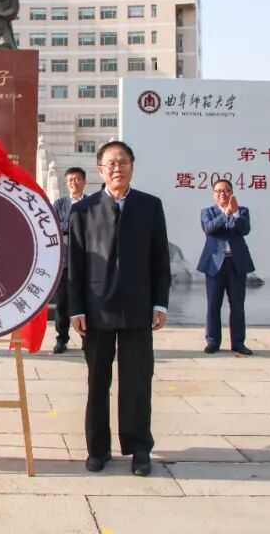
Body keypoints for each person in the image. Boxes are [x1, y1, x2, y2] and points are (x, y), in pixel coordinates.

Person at [69, 141, 169, 476]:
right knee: (98, 381)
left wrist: (160, 302)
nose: (117, 169)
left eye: (123, 162)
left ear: (132, 167)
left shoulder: (150, 206)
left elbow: (160, 259)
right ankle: (98, 449)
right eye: (111, 163)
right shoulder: (83, 210)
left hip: (138, 308)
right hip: (96, 310)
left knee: (137, 381)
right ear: (100, 170)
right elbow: (75, 265)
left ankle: (139, 448)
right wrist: (76, 309)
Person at [197, 179, 255, 355]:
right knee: (213, 305)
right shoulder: (207, 212)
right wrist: (225, 214)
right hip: (215, 264)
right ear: (214, 194)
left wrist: (235, 213)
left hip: (236, 263)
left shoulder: (242, 211)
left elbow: (245, 230)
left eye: (227, 190)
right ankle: (213, 342)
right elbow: (209, 228)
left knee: (237, 305)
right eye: (219, 191)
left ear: (232, 193)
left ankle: (238, 343)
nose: (223, 194)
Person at [51, 166, 87, 354]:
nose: (73, 183)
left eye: (77, 179)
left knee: (86, 302)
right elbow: (55, 226)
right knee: (62, 304)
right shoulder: (59, 204)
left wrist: (68, 226)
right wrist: (78, 225)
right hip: (64, 262)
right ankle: (62, 339)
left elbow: (94, 228)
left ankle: (86, 338)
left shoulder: (93, 203)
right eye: (70, 180)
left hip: (87, 262)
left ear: (84, 181)